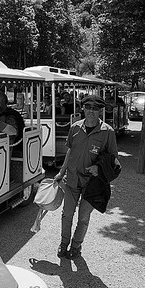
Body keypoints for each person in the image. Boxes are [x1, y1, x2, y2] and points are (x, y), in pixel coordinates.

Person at [53, 94, 120, 260]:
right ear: (82, 108)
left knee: (83, 217)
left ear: (100, 111)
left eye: (95, 108)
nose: (91, 111)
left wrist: (98, 168)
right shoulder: (75, 128)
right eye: (88, 107)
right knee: (67, 214)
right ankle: (64, 244)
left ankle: (76, 246)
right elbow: (69, 151)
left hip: (92, 183)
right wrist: (61, 172)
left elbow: (113, 159)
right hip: (72, 179)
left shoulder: (107, 132)